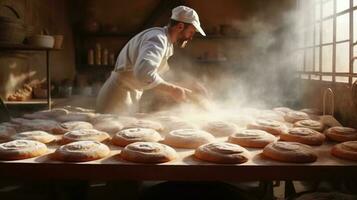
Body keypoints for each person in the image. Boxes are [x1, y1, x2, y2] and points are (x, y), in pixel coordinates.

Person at [96, 5, 206, 114]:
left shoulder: (164, 41)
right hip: (117, 97)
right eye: (191, 32)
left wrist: (183, 86)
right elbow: (144, 73)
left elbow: (154, 78)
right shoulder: (157, 39)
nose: (191, 37)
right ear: (180, 26)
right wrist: (173, 90)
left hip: (127, 95)